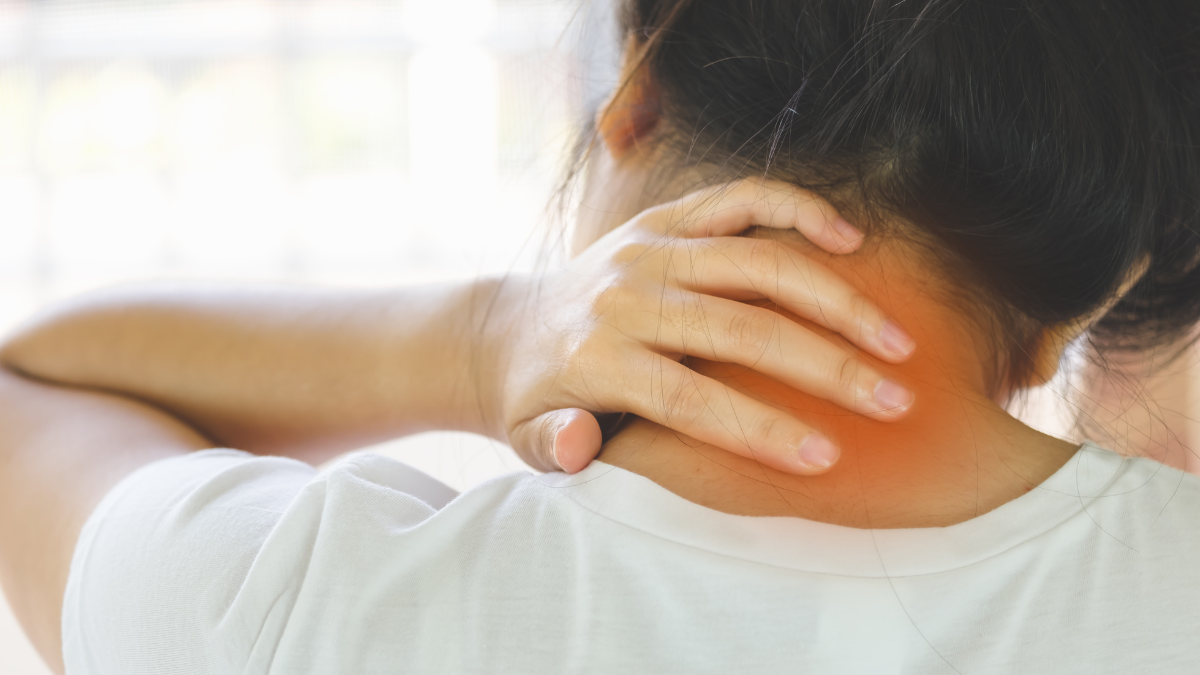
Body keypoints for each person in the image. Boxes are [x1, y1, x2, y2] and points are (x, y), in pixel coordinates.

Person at [2, 0, 1200, 673]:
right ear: (1068, 315)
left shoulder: (289, 606)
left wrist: (483, 340)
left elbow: (27, 385)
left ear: (638, 96)